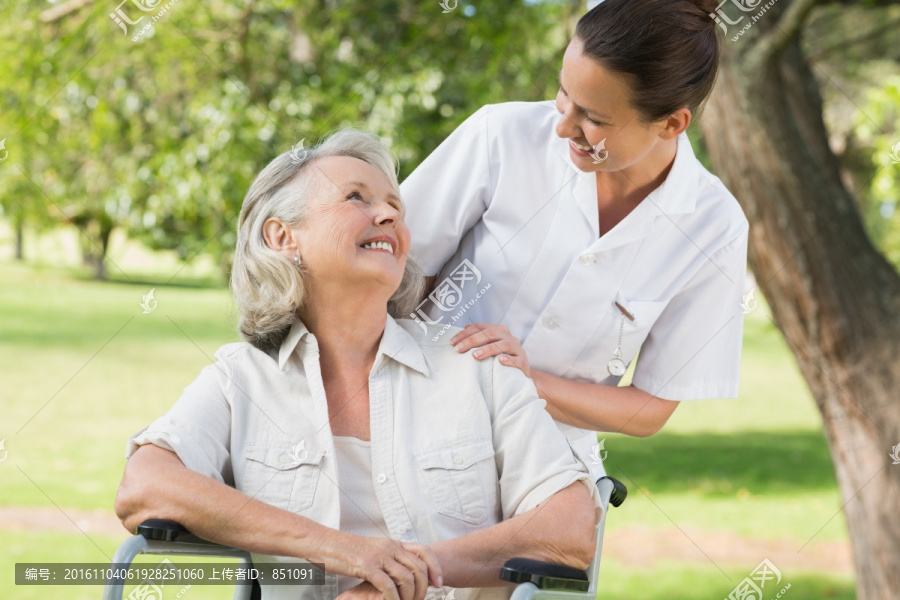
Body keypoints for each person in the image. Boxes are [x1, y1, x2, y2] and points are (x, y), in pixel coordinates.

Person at [114, 130, 599, 600]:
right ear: (283, 236)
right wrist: (345, 551)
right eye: (356, 198)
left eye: (396, 206)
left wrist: (403, 575)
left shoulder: (478, 366)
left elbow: (570, 526)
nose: (388, 213)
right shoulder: (240, 379)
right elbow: (145, 486)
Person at [399, 0, 747, 478]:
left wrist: (521, 380)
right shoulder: (502, 135)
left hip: (548, 473)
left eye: (594, 118)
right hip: (410, 426)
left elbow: (650, 407)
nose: (563, 126)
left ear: (671, 123)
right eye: (564, 94)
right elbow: (392, 271)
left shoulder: (716, 228)